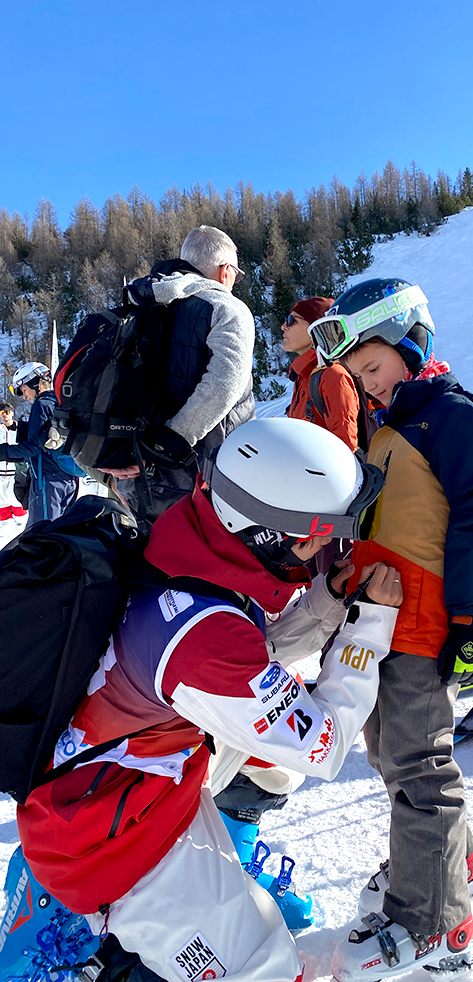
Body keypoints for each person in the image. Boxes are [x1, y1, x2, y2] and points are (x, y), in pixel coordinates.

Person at [16, 417, 402, 982]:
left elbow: (243, 655)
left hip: (130, 789)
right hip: (116, 844)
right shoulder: (205, 638)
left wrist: (327, 601)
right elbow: (323, 745)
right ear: (271, 534)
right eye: (323, 534)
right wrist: (371, 625)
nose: (329, 548)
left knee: (261, 897)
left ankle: (138, 951)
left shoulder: (191, 541)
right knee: (259, 969)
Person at [309, 278, 473, 981]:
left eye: (371, 369)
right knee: (389, 751)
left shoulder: (453, 416)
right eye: (357, 377)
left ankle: (436, 924)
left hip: (427, 621)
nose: (365, 387)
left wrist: (472, 620)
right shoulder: (391, 424)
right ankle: (452, 863)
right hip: (381, 617)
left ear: (412, 345)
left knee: (420, 766)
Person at [111, 225, 255, 529]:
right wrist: (169, 443)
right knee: (210, 572)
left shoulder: (140, 308)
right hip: (206, 478)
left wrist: (113, 463)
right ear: (225, 270)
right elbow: (224, 383)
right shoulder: (226, 308)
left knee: (156, 566)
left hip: (138, 479)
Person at [0, 363, 79, 526]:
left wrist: (3, 451)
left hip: (48, 480)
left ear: (33, 382)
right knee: (58, 530)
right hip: (68, 478)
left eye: (22, 390)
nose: (23, 396)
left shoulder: (41, 404)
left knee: (40, 533)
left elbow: (33, 447)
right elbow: (45, 437)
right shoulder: (59, 401)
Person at [283, 296, 362, 452]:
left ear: (318, 327)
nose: (284, 327)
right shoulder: (304, 375)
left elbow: (345, 451)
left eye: (293, 320)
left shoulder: (333, 376)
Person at [0, 401, 27, 526]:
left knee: (15, 496)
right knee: (1, 499)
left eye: (6, 412)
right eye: (1, 413)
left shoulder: (20, 430)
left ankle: (21, 521)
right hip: (0, 471)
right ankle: (5, 525)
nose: (4, 415)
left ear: (12, 413)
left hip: (15, 470)